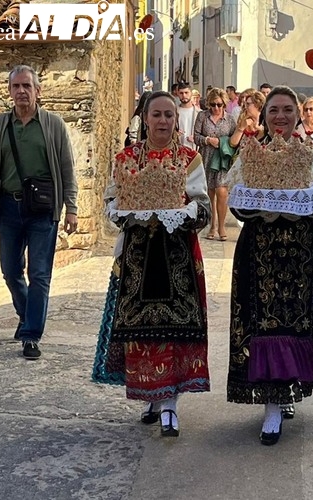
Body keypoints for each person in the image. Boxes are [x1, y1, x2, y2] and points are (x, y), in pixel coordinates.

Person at [225, 85, 313, 446]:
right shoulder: (251, 153)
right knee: (262, 320)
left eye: (287, 110)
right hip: (259, 252)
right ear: (264, 116)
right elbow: (236, 204)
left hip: (301, 253)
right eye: (274, 110)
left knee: (297, 320)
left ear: (298, 115)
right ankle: (272, 406)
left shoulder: (312, 154)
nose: (280, 116)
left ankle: (286, 390)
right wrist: (261, 207)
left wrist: (305, 203)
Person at [92, 91, 211, 438]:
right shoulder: (126, 159)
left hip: (178, 256)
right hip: (138, 256)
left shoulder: (189, 159)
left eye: (169, 116)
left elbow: (201, 207)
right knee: (141, 329)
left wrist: (184, 214)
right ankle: (150, 393)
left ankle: (170, 402)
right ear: (145, 118)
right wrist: (125, 214)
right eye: (156, 115)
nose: (162, 121)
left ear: (176, 120)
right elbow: (113, 201)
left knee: (174, 328)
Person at [0, 64, 78, 360]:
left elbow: (67, 169)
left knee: (40, 273)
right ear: (9, 91)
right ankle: (26, 312)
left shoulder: (54, 125)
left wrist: (72, 208)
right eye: (16, 86)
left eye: (26, 86)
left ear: (38, 91)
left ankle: (31, 335)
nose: (21, 91)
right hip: (7, 206)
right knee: (10, 270)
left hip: (43, 209)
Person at [194, 87, 237, 241]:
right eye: (213, 104)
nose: (216, 108)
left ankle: (221, 226)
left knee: (222, 191)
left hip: (222, 159)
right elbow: (196, 136)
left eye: (219, 104)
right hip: (206, 156)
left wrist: (223, 143)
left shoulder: (230, 119)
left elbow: (234, 140)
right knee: (210, 192)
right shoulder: (202, 116)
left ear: (224, 104)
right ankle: (212, 225)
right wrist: (208, 140)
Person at [176, 82, 199, 150]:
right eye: (181, 93)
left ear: (191, 93)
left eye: (186, 92)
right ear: (178, 94)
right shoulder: (173, 112)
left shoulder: (199, 112)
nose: (184, 95)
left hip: (194, 151)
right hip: (178, 150)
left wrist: (196, 138)